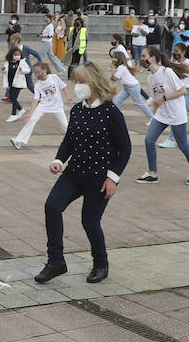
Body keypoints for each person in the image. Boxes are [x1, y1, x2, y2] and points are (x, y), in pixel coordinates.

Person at [32, 61, 128, 284]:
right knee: (52, 206)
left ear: (94, 83)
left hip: (99, 179)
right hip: (74, 173)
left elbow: (125, 149)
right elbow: (69, 140)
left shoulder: (111, 112)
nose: (78, 86)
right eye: (76, 82)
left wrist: (112, 178)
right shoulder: (77, 109)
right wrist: (58, 160)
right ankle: (56, 262)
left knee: (90, 222)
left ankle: (101, 264)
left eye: (82, 81)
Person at [135, 46, 189, 186]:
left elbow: (182, 91)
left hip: (176, 114)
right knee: (149, 140)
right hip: (162, 115)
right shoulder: (150, 78)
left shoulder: (167, 71)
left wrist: (164, 98)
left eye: (144, 56)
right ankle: (153, 174)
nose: (142, 59)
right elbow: (156, 100)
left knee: (183, 146)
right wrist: (154, 113)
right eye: (141, 56)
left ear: (153, 58)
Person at [13, 60, 70, 149]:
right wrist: (30, 114)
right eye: (35, 73)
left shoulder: (54, 77)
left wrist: (68, 98)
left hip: (57, 106)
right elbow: (36, 99)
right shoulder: (38, 85)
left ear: (45, 70)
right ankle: (18, 141)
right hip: (43, 105)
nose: (38, 74)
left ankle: (74, 141)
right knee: (31, 120)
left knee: (65, 125)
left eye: (39, 72)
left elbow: (63, 87)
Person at [108, 50, 153, 121]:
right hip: (128, 87)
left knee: (140, 103)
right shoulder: (121, 67)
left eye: (115, 57)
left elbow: (115, 78)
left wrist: (113, 69)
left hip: (132, 87)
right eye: (113, 57)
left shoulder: (121, 67)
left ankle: (152, 118)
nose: (113, 59)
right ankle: (115, 118)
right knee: (117, 101)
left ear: (119, 58)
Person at [1, 46, 31, 121]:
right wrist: (3, 69)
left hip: (18, 83)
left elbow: (28, 70)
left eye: (18, 54)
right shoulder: (8, 63)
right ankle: (20, 110)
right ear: (11, 55)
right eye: (15, 54)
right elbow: (5, 72)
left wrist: (22, 69)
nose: (17, 56)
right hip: (11, 83)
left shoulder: (22, 62)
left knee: (13, 98)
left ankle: (14, 114)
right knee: (12, 98)